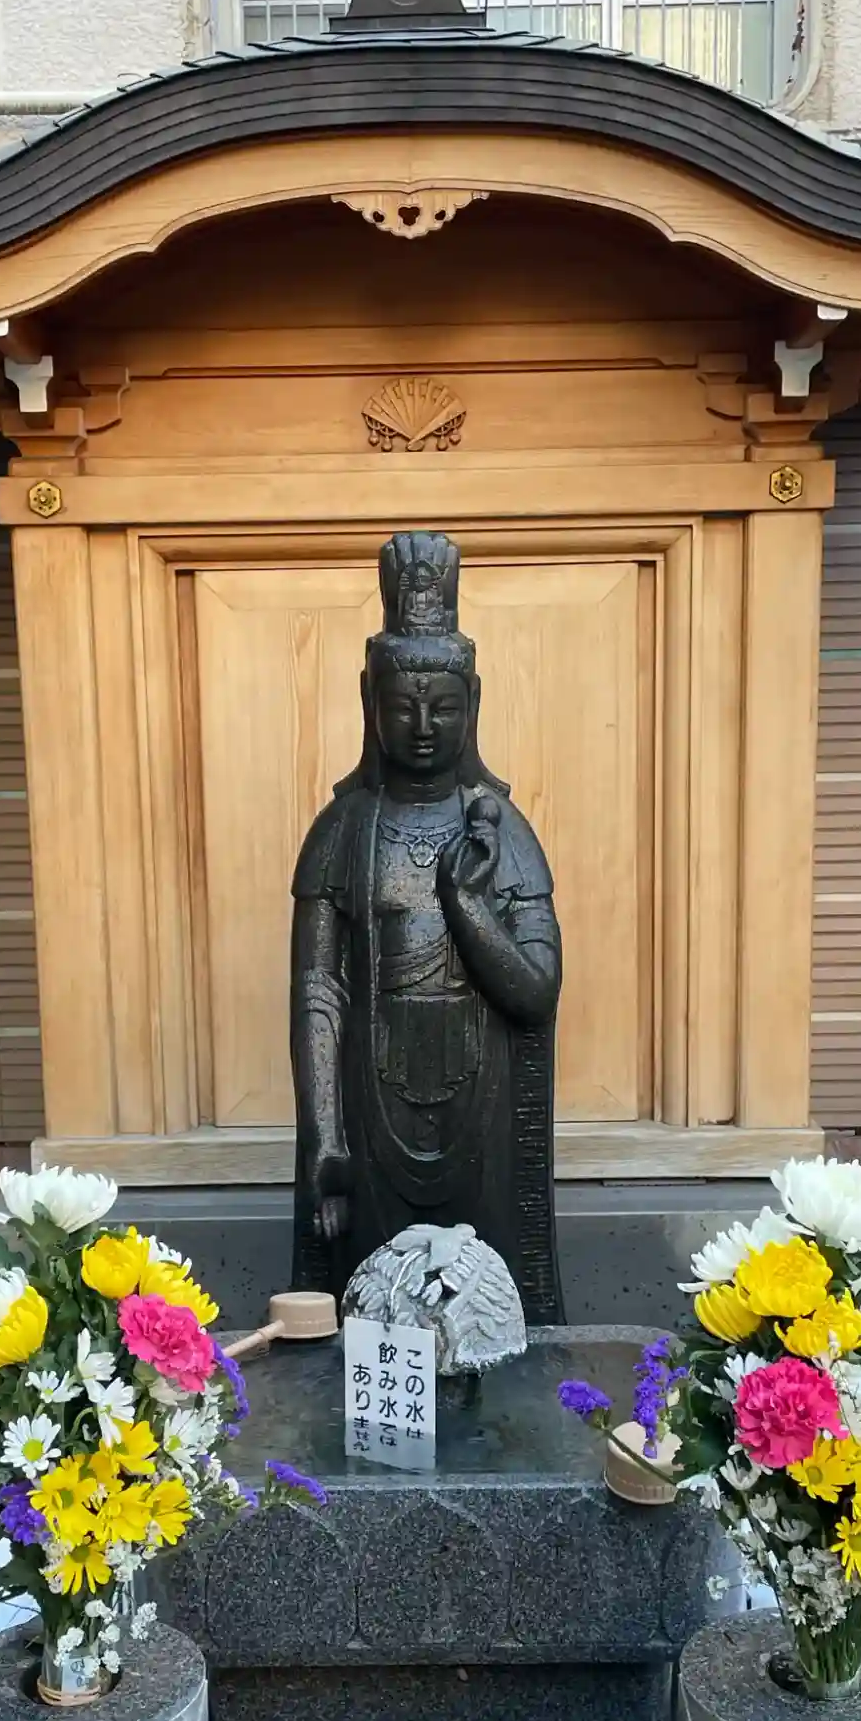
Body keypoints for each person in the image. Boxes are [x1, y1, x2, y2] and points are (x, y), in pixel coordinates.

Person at [289, 530, 565, 1323]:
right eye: (400, 705)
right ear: (368, 704)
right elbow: (317, 993)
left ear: (470, 706)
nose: (420, 724)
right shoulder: (343, 830)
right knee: (371, 1295)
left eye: (441, 706)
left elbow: (536, 994)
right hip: (369, 1102)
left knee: (482, 1298)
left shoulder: (502, 834)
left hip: (480, 1099)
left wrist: (466, 903)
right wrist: (326, 1138)